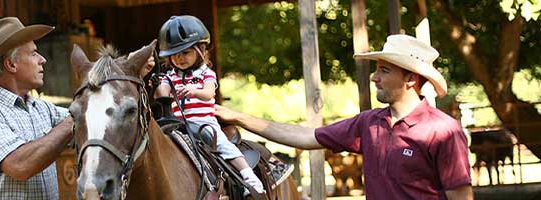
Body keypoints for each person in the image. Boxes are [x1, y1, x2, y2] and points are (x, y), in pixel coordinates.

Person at [216, 34, 473, 199]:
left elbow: (461, 197)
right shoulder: (369, 123)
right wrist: (238, 118)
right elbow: (305, 137)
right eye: (376, 70)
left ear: (410, 79)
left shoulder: (444, 131)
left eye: (384, 70)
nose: (374, 77)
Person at [0, 17, 74, 199]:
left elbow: (89, 121)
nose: (42, 59)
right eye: (34, 53)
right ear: (11, 64)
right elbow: (20, 165)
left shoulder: (41, 108)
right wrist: (73, 121)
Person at [155, 15, 266, 194]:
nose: (179, 59)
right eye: (174, 55)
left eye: (185, 53)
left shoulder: (206, 74)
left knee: (224, 146)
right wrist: (158, 83)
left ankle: (248, 176)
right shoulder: (170, 76)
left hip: (203, 124)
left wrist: (193, 90)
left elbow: (208, 94)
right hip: (178, 127)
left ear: (200, 50)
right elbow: (162, 94)